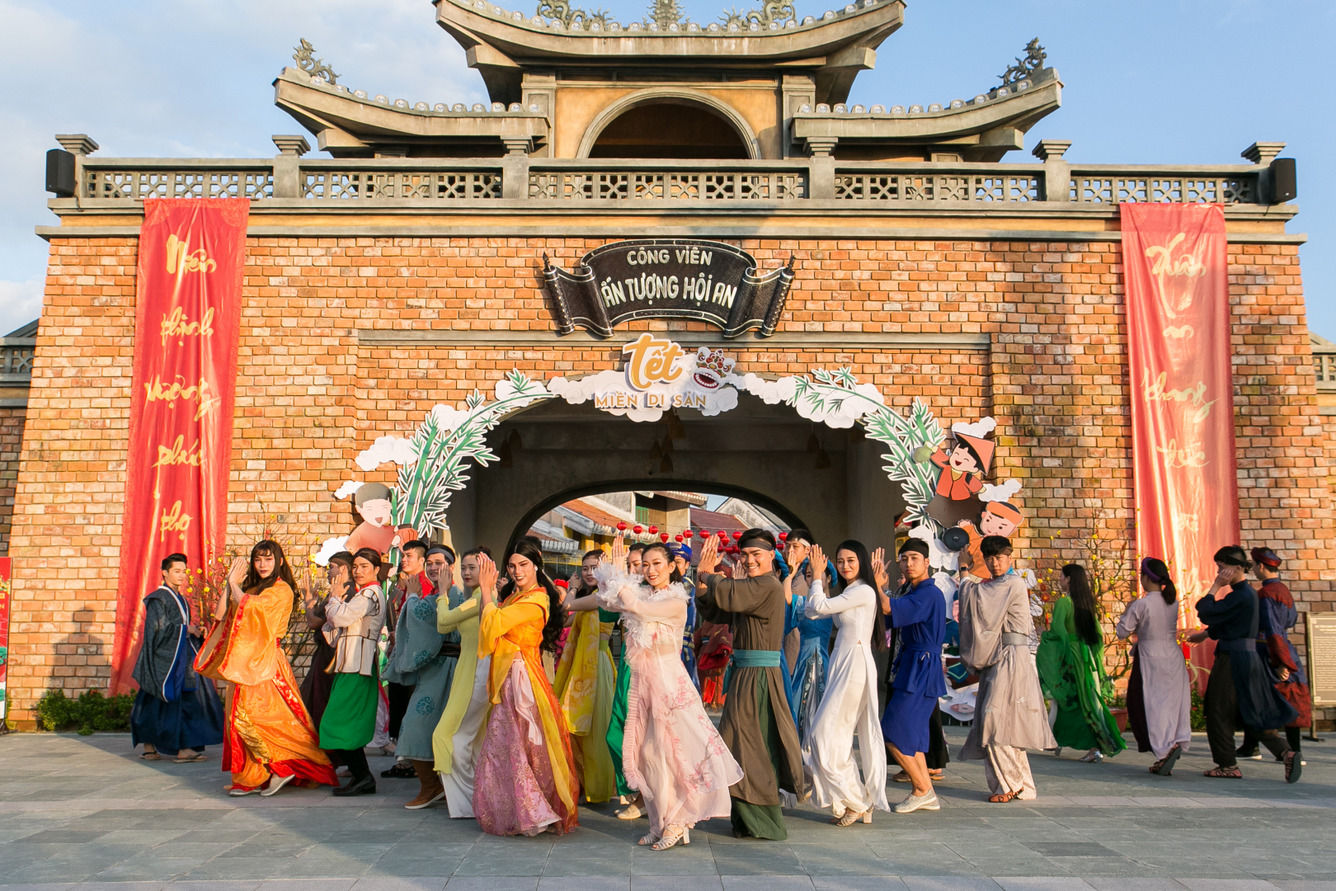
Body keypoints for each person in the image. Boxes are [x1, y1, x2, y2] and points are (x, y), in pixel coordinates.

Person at [595, 538, 742, 849]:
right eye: (645, 564)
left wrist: (621, 577)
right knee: (648, 754)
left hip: (669, 683)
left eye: (657, 564)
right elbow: (607, 603)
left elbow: (639, 609)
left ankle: (678, 822)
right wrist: (612, 573)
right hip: (643, 685)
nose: (650, 570)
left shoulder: (676, 601)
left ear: (672, 566)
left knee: (673, 754)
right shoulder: (642, 592)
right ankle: (659, 822)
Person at [195, 540, 337, 797]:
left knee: (260, 718)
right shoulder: (251, 588)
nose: (262, 564)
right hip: (244, 663)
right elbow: (220, 616)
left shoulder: (281, 590)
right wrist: (230, 584)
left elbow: (252, 609)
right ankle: (253, 776)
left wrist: (235, 586)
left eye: (268, 559)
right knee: (238, 718)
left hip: (266, 663)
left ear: (279, 561)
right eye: (258, 559)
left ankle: (283, 767)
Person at [695, 529, 806, 840]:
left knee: (749, 745)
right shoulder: (751, 587)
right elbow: (716, 608)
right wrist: (703, 580)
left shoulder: (768, 585)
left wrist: (707, 574)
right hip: (746, 674)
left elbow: (731, 592)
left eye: (756, 554)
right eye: (744, 554)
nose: (749, 560)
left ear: (772, 555)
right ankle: (745, 819)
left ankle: (764, 821)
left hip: (759, 676)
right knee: (741, 744)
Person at [473, 538, 580, 836]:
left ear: (536, 565)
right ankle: (521, 810)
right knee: (507, 743)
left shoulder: (537, 599)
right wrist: (490, 594)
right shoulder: (515, 597)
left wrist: (486, 591)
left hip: (523, 678)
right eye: (512, 565)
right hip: (509, 675)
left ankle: (536, 810)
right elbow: (489, 627)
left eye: (523, 564)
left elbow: (493, 624)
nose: (517, 571)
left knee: (525, 744)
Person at [956, 535, 1056, 802]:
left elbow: (977, 598)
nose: (994, 563)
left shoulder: (1011, 583)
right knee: (1005, 724)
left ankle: (1011, 785)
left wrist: (964, 570)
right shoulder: (998, 583)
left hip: (1012, 657)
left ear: (1010, 557)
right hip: (1000, 656)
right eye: (989, 558)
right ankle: (1021, 785)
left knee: (994, 720)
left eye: (999, 557)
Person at [1191, 546, 1300, 782]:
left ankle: (1227, 765)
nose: (1219, 572)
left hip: (1233, 660)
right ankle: (1285, 752)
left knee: (1218, 711)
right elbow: (1230, 623)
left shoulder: (1240, 595)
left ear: (1238, 568)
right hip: (1248, 659)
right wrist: (1207, 634)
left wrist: (1215, 587)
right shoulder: (1248, 594)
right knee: (1251, 710)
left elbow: (1206, 611)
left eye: (1222, 567)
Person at [802, 541, 889, 825]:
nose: (845, 566)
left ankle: (857, 800)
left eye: (850, 560)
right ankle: (854, 799)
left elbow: (819, 605)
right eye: (840, 561)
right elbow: (812, 611)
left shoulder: (864, 590)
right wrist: (819, 584)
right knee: (833, 737)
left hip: (854, 664)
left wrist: (817, 575)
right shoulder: (851, 591)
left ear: (861, 561)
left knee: (822, 734)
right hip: (842, 662)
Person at [384, 542, 462, 809]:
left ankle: (442, 786)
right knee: (416, 725)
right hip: (433, 670)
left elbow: (423, 619)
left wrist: (412, 598)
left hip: (453, 669)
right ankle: (430, 785)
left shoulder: (456, 595)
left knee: (444, 730)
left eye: (439, 563)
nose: (433, 567)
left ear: (451, 566)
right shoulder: (434, 596)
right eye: (429, 563)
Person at [875, 539, 947, 814]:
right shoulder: (912, 592)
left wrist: (876, 585)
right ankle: (924, 791)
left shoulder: (928, 593)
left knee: (891, 733)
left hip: (921, 666)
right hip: (912, 665)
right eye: (904, 558)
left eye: (914, 558)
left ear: (927, 562)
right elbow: (887, 617)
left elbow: (887, 609)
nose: (908, 563)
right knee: (912, 737)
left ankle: (923, 790)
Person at [131, 553, 224, 763]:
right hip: (164, 661)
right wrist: (185, 629)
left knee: (181, 702)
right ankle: (153, 746)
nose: (182, 575)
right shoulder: (158, 598)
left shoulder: (179, 598)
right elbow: (157, 629)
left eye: (184, 571)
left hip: (181, 658)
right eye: (177, 571)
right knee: (155, 701)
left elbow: (177, 627)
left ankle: (181, 748)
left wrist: (194, 631)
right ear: (165, 573)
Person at [319, 547, 390, 796]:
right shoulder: (365, 593)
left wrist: (334, 598)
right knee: (343, 723)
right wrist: (337, 605)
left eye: (364, 566)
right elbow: (337, 625)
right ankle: (362, 776)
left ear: (376, 569)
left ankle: (363, 776)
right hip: (351, 664)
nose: (359, 571)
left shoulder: (370, 593)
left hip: (356, 666)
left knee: (336, 722)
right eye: (356, 566)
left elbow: (339, 619)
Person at [1036, 564, 1126, 762]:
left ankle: (1084, 745)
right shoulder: (1086, 603)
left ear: (1069, 579)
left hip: (1071, 657)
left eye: (1061, 576)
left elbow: (1059, 633)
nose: (1059, 579)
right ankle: (1095, 746)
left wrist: (1044, 635)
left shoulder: (1063, 603)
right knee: (1088, 702)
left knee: (1069, 700)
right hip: (1086, 657)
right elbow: (1097, 634)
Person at [432, 545, 493, 818]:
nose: (466, 572)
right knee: (472, 738)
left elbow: (444, 619)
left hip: (477, 673)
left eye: (472, 568)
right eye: (464, 568)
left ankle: (469, 799)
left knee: (448, 735)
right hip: (468, 671)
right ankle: (477, 798)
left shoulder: (480, 599)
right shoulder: (475, 599)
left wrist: (443, 592)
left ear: (487, 569)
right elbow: (444, 626)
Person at [1116, 557, 1191, 775]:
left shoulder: (1142, 604)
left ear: (1146, 578)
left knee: (1146, 704)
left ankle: (1164, 750)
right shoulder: (1172, 602)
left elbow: (1122, 632)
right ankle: (1169, 745)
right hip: (1173, 658)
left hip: (1150, 658)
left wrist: (1127, 611)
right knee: (1169, 705)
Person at [555, 549, 619, 804]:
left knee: (595, 729)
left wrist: (571, 588)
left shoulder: (605, 595)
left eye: (595, 567)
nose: (589, 572)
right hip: (581, 667)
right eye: (585, 568)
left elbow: (566, 606)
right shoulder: (590, 597)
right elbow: (563, 620)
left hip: (597, 666)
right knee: (573, 725)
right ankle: (582, 783)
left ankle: (598, 787)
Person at [1238, 547, 1311, 765]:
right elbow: (1289, 621)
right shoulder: (1283, 590)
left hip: (1269, 649)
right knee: (1287, 696)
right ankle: (1255, 745)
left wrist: (1281, 662)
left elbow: (1273, 628)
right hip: (1283, 647)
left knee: (1263, 696)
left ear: (1261, 566)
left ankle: (1288, 750)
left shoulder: (1267, 594)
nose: (1254, 570)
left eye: (1254, 565)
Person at [382, 541, 431, 780]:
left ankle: (410, 762)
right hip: (402, 651)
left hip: (413, 656)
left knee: (408, 706)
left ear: (422, 560)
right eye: (403, 555)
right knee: (400, 705)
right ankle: (405, 760)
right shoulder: (406, 584)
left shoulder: (423, 584)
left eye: (409, 556)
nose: (404, 559)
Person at [608, 540, 648, 819]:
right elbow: (603, 607)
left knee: (641, 735)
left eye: (639, 565)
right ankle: (636, 790)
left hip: (646, 668)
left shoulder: (654, 594)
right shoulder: (625, 592)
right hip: (626, 664)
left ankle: (644, 797)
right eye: (629, 565)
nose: (634, 570)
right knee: (615, 732)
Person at [781, 548, 834, 752]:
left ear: (829, 578)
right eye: (809, 575)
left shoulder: (834, 604)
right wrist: (790, 574)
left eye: (818, 574)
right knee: (797, 707)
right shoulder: (802, 603)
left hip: (824, 661)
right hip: (803, 661)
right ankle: (798, 755)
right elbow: (787, 598)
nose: (813, 579)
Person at [299, 551, 353, 731]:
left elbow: (314, 622)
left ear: (343, 568)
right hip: (328, 653)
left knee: (321, 700)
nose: (328, 572)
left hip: (332, 655)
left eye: (331, 567)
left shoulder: (345, 592)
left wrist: (308, 599)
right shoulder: (340, 591)